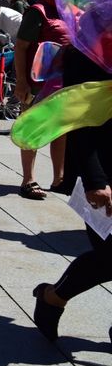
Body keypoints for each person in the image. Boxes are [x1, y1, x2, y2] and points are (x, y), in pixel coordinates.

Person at [31, 44, 112, 342]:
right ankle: (52, 297)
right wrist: (96, 180)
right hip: (102, 170)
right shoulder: (88, 53)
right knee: (109, 255)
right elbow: (77, 120)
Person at [14, 0, 72, 198]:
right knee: (33, 130)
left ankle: (60, 179)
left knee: (61, 131)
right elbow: (21, 46)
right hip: (37, 84)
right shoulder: (37, 12)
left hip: (63, 83)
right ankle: (28, 180)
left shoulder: (68, 11)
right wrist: (21, 82)